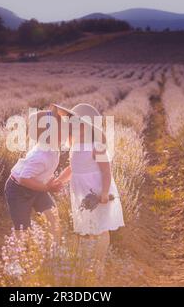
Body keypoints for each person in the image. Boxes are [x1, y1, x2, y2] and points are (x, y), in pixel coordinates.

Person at [53, 103, 124, 273]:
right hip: (81, 191)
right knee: (90, 226)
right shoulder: (75, 144)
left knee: (101, 227)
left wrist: (105, 192)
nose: (72, 125)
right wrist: (59, 180)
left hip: (96, 191)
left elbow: (106, 171)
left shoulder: (96, 145)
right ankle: (92, 261)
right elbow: (72, 168)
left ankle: (99, 264)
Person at [4, 107, 66, 242]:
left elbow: (43, 171)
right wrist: (47, 188)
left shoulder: (53, 148)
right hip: (18, 190)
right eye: (63, 129)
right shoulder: (40, 156)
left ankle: (54, 252)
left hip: (37, 187)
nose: (66, 132)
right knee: (22, 227)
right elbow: (24, 179)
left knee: (53, 217)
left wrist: (48, 182)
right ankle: (18, 258)